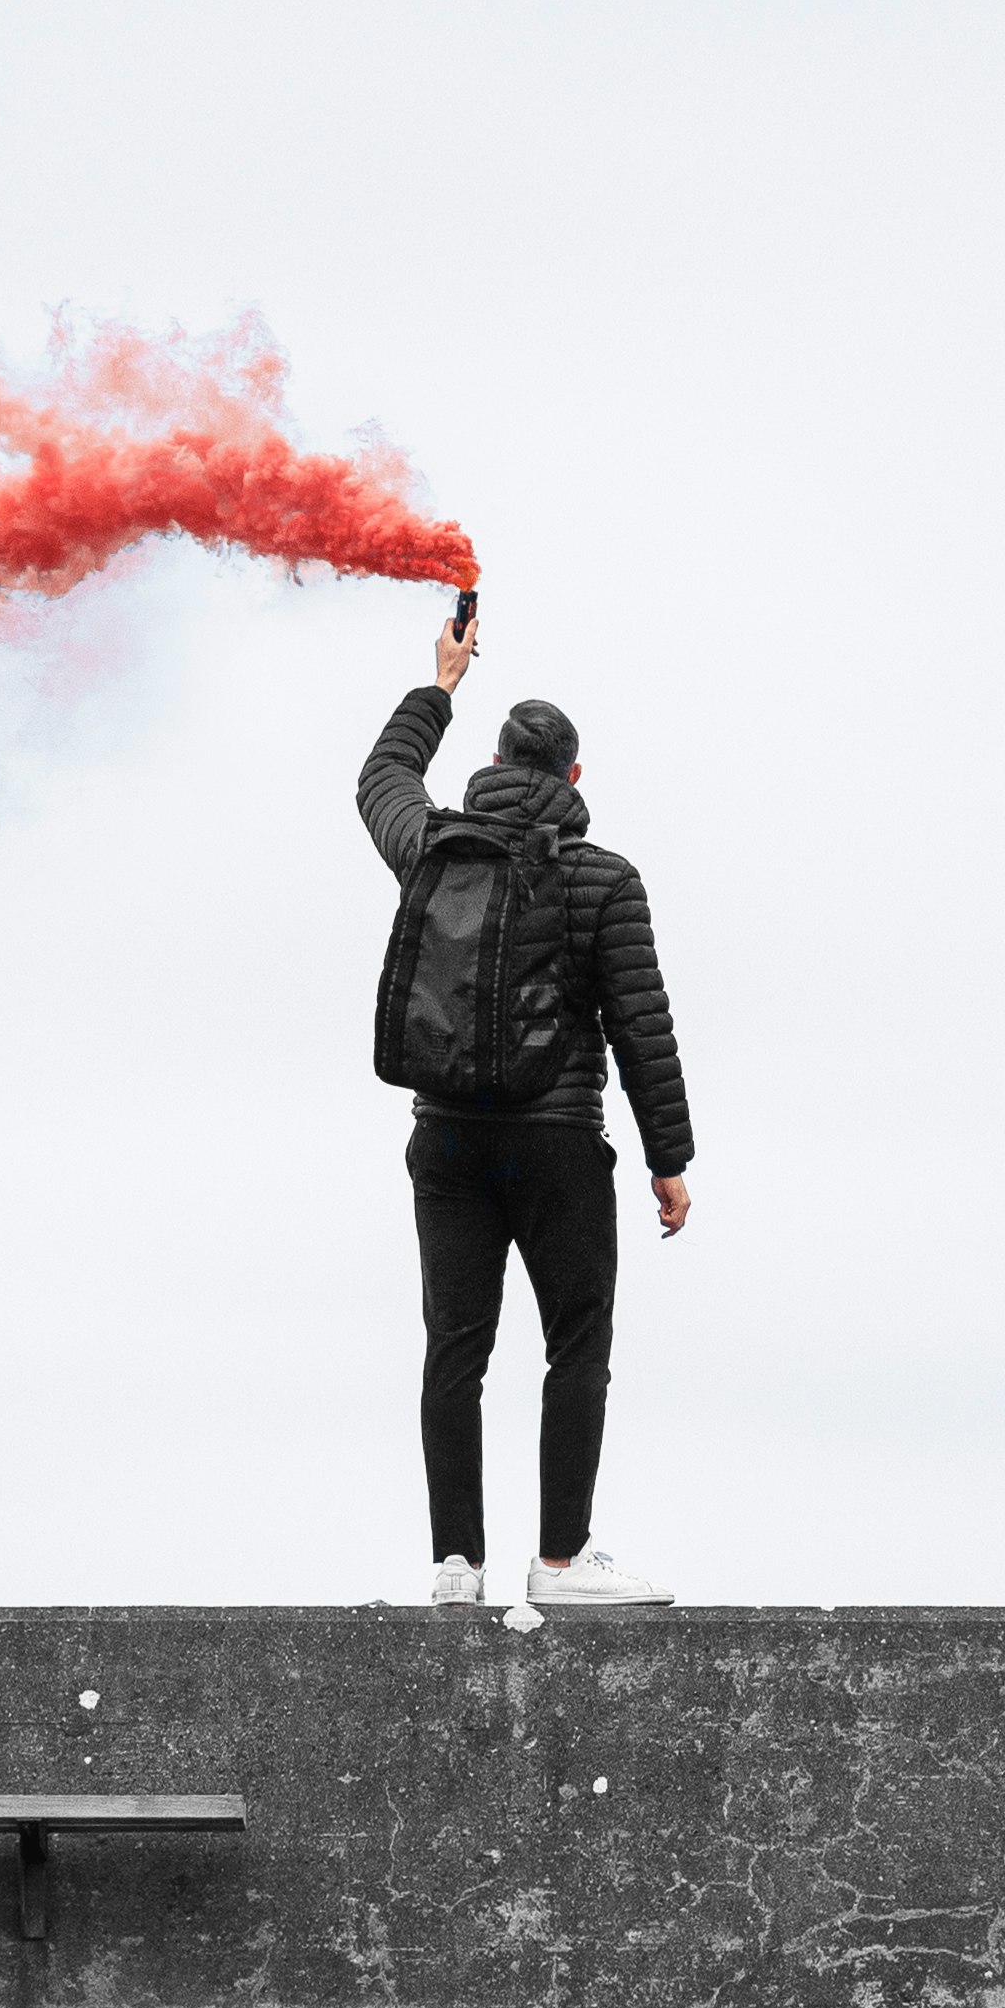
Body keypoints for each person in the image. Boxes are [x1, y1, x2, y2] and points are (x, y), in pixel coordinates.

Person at [357, 609, 695, 1609]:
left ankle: (455, 1567)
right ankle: (558, 1565)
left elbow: (379, 778)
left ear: (495, 763)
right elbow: (641, 1026)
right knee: (573, 1344)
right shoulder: (602, 877)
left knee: (454, 1346)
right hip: (555, 1142)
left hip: (447, 1139)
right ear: (572, 783)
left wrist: (440, 685)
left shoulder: (432, 847)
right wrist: (666, 1159)